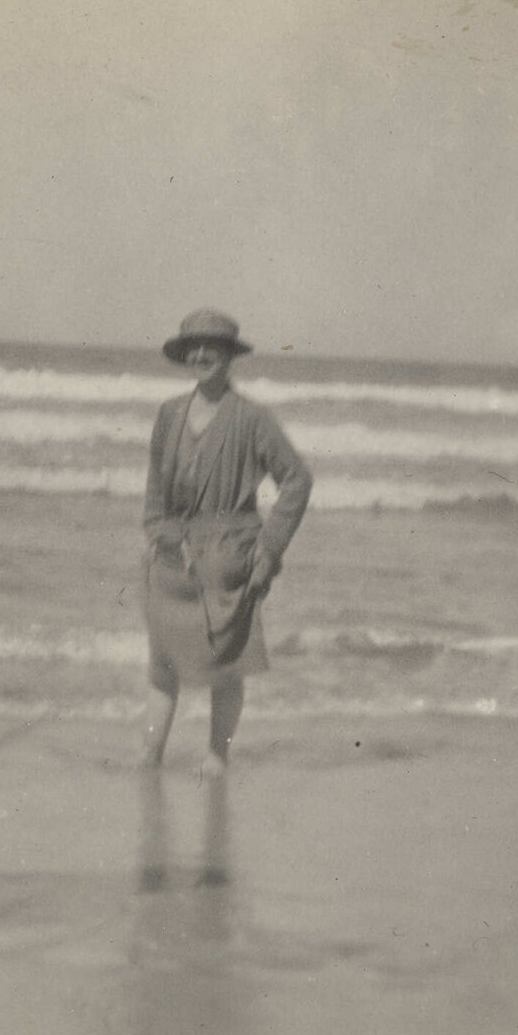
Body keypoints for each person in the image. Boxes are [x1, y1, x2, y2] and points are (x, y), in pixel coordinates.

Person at [139, 309, 311, 774]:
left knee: (227, 666)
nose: (200, 355)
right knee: (163, 664)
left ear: (229, 356)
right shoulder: (169, 414)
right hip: (173, 559)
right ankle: (150, 757)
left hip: (230, 558)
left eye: (211, 348)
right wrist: (160, 534)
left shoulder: (253, 419)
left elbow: (296, 479)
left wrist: (269, 548)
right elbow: (155, 490)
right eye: (193, 348)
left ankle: (217, 758)